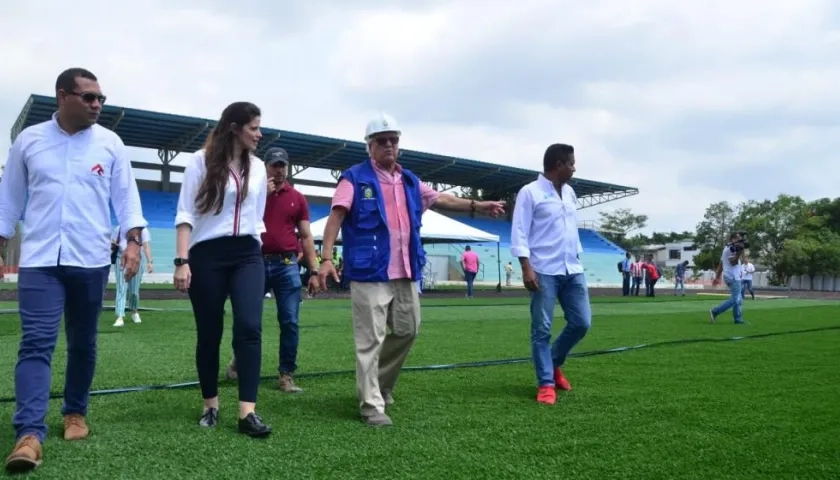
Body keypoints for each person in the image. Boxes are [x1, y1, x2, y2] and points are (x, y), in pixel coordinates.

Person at [0, 68, 147, 473]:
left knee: (83, 343)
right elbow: (9, 200)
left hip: (91, 259)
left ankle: (74, 412)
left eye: (100, 98)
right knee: (36, 343)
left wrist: (133, 242)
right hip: (41, 261)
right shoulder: (29, 141)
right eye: (88, 97)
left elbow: (127, 199)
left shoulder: (111, 143)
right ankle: (29, 433)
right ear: (62, 97)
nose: (97, 104)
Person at [317, 113, 505, 426]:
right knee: (369, 340)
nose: (389, 145)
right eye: (382, 141)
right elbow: (336, 217)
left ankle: (379, 384)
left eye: (394, 140)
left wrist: (478, 206)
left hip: (405, 270)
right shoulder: (353, 178)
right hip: (370, 272)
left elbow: (441, 198)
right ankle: (371, 406)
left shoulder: (408, 180)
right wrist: (325, 258)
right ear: (370, 146)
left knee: (408, 330)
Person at [173, 101, 271, 437]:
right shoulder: (198, 162)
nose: (259, 134)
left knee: (249, 326)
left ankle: (248, 413)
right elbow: (185, 213)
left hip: (247, 253)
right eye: (254, 127)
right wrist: (182, 261)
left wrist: (257, 250)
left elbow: (257, 217)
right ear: (234, 127)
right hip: (207, 255)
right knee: (210, 332)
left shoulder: (258, 167)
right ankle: (210, 405)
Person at [225, 147, 320, 392]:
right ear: (264, 167)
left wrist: (315, 270)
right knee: (247, 319)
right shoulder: (250, 193)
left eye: (282, 166)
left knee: (290, 321)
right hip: (252, 263)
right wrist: (259, 196)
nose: (278, 171)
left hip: (287, 265)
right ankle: (239, 360)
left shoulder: (297, 198)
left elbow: (307, 236)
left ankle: (286, 374)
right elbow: (235, 221)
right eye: (274, 166)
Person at [510, 143, 592, 405]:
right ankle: (546, 383)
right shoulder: (530, 192)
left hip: (572, 268)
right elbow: (520, 230)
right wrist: (526, 267)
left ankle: (553, 362)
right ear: (558, 165)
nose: (574, 168)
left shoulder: (570, 193)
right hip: (543, 269)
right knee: (541, 330)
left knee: (582, 323)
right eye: (571, 163)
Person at [111, 225, 154, 327]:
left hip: (136, 260)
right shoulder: (119, 228)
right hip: (120, 259)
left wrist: (150, 262)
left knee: (134, 290)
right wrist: (113, 245)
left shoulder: (142, 230)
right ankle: (120, 316)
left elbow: (146, 246)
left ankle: (134, 311)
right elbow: (112, 243)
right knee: (121, 287)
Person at [710, 233, 746, 324]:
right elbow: (733, 262)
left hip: (729, 276)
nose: (739, 241)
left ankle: (738, 319)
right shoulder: (731, 249)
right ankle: (715, 311)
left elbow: (721, 265)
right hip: (733, 277)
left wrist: (717, 277)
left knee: (738, 299)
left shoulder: (726, 248)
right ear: (733, 239)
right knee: (735, 299)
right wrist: (739, 252)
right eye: (738, 239)